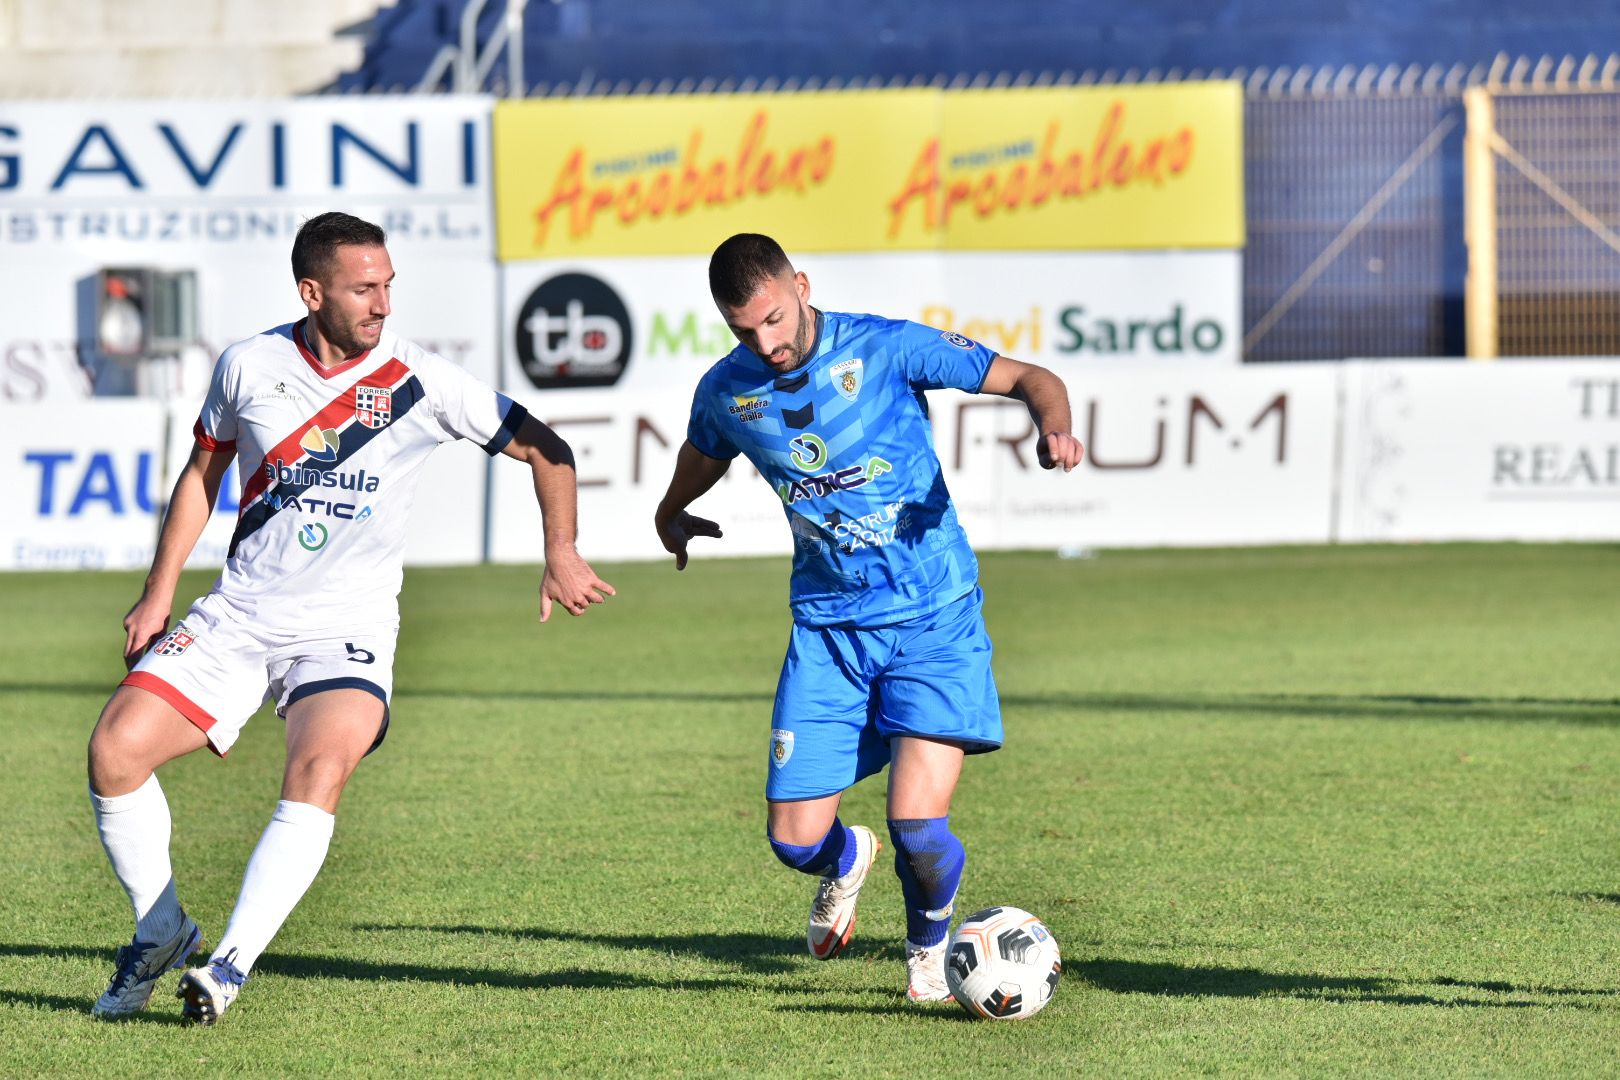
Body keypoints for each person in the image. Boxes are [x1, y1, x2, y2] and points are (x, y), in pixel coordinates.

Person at [87, 212, 614, 1025]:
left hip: (346, 627)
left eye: (388, 285)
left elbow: (548, 447)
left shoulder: (421, 380)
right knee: (114, 752)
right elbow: (202, 474)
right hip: (240, 612)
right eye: (364, 288)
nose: (382, 303)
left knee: (317, 769)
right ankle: (160, 932)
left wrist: (564, 551)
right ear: (311, 291)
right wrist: (158, 593)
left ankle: (227, 966)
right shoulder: (249, 366)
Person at [653, 233, 1083, 1001]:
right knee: (793, 842)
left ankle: (928, 950)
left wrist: (1052, 424)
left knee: (919, 826)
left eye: (777, 319)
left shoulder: (885, 348)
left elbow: (1029, 376)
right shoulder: (727, 388)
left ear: (803, 286)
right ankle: (847, 860)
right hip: (827, 632)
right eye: (746, 330)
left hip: (933, 617)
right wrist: (673, 508)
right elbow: (705, 447)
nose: (768, 342)